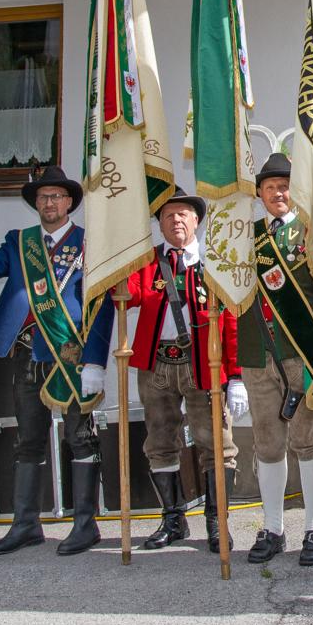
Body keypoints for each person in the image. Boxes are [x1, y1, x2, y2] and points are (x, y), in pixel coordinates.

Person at [84, 189, 243, 554]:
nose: (176, 220)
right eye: (168, 215)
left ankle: (217, 523)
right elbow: (129, 295)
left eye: (183, 214)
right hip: (157, 364)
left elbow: (232, 318)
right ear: (159, 224)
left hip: (205, 365)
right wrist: (115, 259)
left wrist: (234, 375)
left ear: (196, 220)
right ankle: (173, 520)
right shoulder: (148, 262)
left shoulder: (215, 259)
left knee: (216, 443)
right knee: (160, 442)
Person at [236, 153, 313, 566]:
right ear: (261, 194)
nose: (278, 193)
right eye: (270, 187)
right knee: (267, 444)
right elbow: (233, 303)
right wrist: (233, 370)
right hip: (257, 355)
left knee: (307, 440)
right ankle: (273, 527)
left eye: (284, 186)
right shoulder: (243, 238)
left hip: (304, 356)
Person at [0, 166, 96, 557]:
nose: (49, 203)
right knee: (27, 439)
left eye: (56, 197)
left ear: (69, 203)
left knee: (78, 437)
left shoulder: (88, 242)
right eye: (43, 197)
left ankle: (85, 524)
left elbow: (97, 304)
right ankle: (25, 523)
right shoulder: (19, 242)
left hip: (68, 352)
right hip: (25, 352)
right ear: (36, 204)